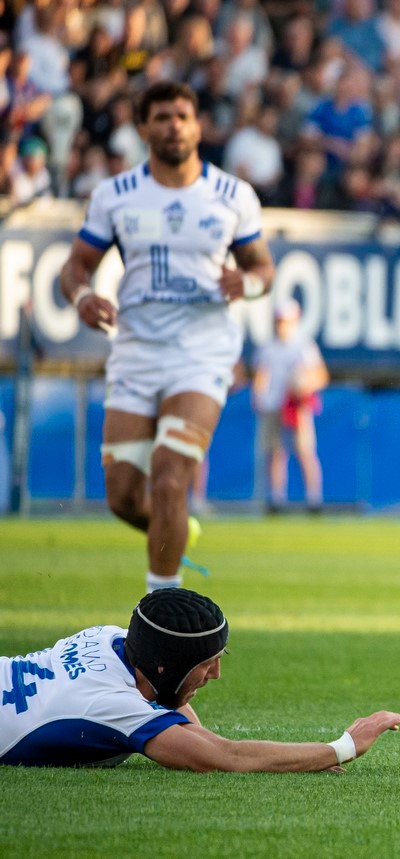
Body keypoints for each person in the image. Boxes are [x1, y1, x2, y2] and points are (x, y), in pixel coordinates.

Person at [58, 81, 275, 593]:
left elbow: (263, 267)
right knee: (123, 497)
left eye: (182, 115)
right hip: (136, 350)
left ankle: (165, 611)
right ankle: (176, 527)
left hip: (202, 353)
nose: (174, 125)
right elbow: (76, 266)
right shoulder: (115, 196)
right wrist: (82, 297)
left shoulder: (232, 195)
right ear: (142, 128)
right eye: (161, 117)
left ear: (198, 126)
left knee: (170, 474)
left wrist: (249, 283)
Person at [1, 588, 400, 769]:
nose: (216, 673)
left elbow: (186, 725)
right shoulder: (111, 705)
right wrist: (343, 747)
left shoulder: (111, 640)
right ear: (166, 666)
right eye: (206, 663)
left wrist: (199, 735)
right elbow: (225, 758)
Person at [253, 299, 329, 515]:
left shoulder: (304, 346)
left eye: (285, 321)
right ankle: (276, 499)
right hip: (273, 405)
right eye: (279, 321)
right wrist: (259, 397)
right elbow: (261, 376)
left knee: (304, 450)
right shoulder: (268, 347)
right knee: (276, 452)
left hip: (296, 407)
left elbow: (321, 376)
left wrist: (304, 385)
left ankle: (314, 499)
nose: (281, 325)